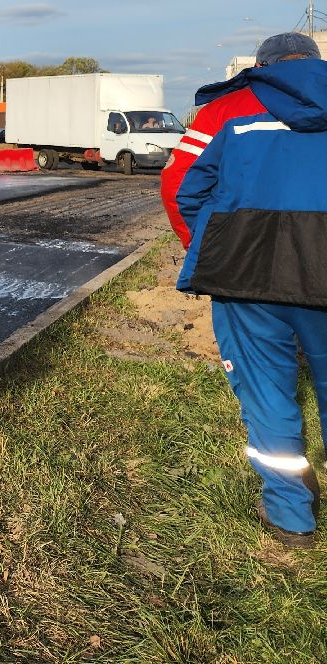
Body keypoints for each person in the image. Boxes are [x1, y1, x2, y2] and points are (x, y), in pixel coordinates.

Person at [168, 31, 327, 547]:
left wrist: (211, 250)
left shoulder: (228, 108)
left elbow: (180, 186)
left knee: (266, 391)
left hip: (248, 274)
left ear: (263, 64)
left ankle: (290, 516)